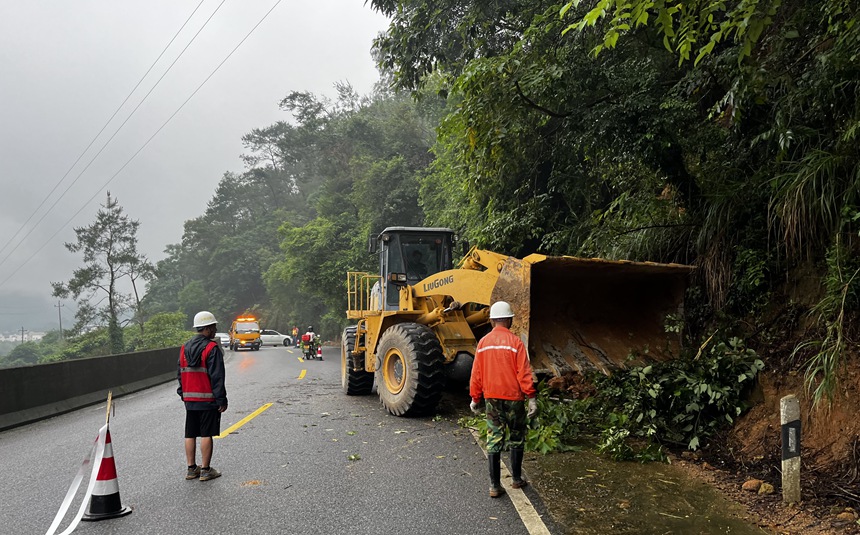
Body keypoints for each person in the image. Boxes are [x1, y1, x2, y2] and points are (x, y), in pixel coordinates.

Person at [469, 301, 538, 498]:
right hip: (514, 399)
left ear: (491, 321)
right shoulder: (516, 342)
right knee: (516, 436)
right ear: (509, 320)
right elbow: (524, 373)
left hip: (492, 399)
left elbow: (477, 374)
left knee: (494, 438)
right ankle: (516, 479)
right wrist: (531, 398)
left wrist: (475, 398)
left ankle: (494, 486)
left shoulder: (482, 344)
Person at [178, 311, 228, 482]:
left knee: (190, 433)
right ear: (207, 328)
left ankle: (191, 469)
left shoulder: (184, 348)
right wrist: (221, 399)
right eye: (213, 327)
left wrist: (182, 393)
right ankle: (206, 470)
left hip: (189, 399)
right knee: (206, 433)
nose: (215, 330)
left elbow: (180, 373)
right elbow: (217, 377)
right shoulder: (211, 348)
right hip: (207, 399)